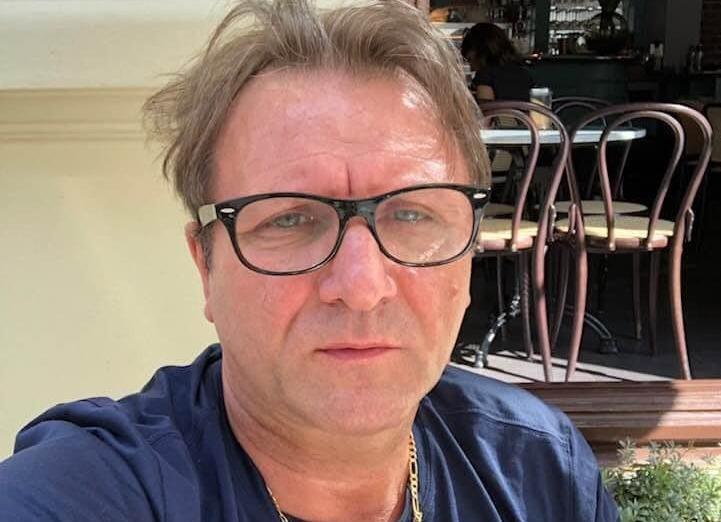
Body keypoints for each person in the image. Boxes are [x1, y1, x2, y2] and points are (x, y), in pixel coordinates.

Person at [0, 0, 618, 520]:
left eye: (412, 214)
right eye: (290, 219)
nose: (362, 285)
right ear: (205, 266)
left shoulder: (541, 475)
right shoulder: (91, 490)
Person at [461, 22, 534, 103]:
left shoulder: (485, 76)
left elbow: (486, 108)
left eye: (470, 59)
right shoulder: (524, 73)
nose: (471, 68)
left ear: (480, 52)